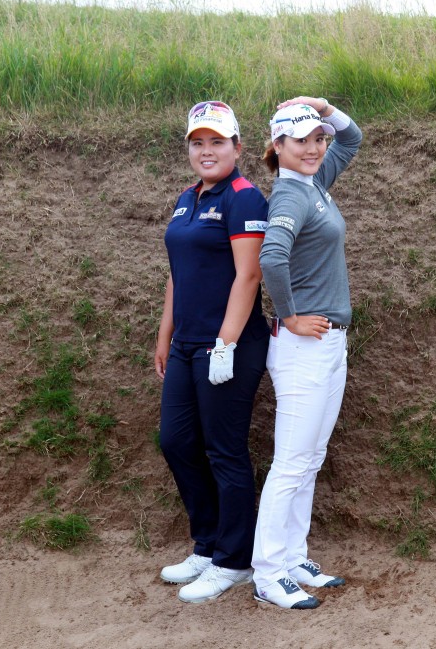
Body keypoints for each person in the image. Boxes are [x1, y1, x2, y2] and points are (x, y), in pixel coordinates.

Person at [154, 101, 270, 603]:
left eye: (217, 142)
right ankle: (207, 544)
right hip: (186, 346)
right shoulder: (186, 199)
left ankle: (235, 560)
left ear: (237, 147)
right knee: (176, 442)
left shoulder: (245, 198)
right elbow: (177, 273)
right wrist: (166, 334)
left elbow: (249, 275)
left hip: (231, 346)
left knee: (225, 452)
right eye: (197, 142)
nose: (206, 151)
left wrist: (224, 343)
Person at [251, 96, 363, 609]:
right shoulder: (291, 195)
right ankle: (269, 573)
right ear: (279, 146)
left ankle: (293, 556)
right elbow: (272, 255)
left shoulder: (313, 181)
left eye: (318, 138)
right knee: (292, 462)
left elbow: (353, 137)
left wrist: (322, 107)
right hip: (303, 345)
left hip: (327, 343)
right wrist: (290, 313)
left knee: (310, 459)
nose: (316, 147)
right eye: (302, 140)